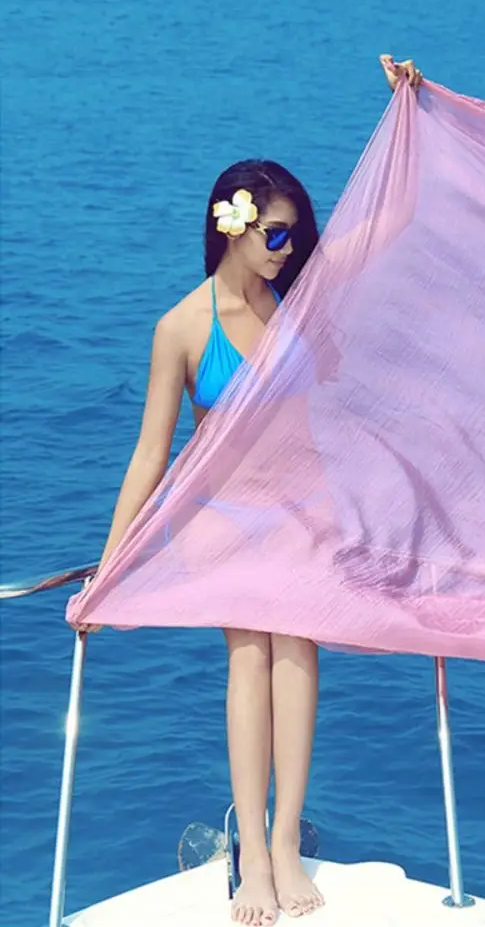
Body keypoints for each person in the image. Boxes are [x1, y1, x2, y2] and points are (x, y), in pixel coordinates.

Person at [70, 56, 423, 926]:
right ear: (228, 228)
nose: (288, 248)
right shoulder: (182, 330)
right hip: (225, 521)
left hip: (306, 512)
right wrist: (110, 570)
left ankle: (286, 836)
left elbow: (392, 225)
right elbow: (149, 457)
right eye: (274, 233)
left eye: (295, 233)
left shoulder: (303, 300)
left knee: (299, 656)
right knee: (250, 659)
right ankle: (252, 857)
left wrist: (409, 108)